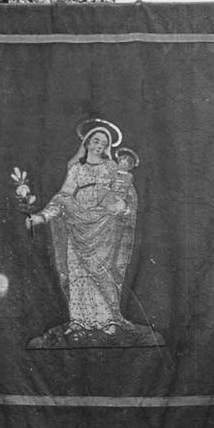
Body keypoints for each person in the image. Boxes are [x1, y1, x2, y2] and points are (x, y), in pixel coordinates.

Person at [26, 121, 137, 338]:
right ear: (86, 142)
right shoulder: (77, 169)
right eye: (96, 141)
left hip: (104, 226)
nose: (99, 146)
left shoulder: (112, 168)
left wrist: (121, 207)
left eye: (104, 143)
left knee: (101, 271)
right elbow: (64, 197)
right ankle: (79, 319)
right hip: (77, 222)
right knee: (77, 271)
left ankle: (108, 319)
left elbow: (124, 194)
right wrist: (41, 217)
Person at [97, 147, 139, 216]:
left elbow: (127, 187)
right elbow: (108, 181)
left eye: (124, 164)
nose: (122, 166)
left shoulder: (129, 176)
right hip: (111, 194)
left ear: (129, 167)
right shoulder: (114, 172)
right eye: (121, 163)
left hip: (121, 195)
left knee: (119, 205)